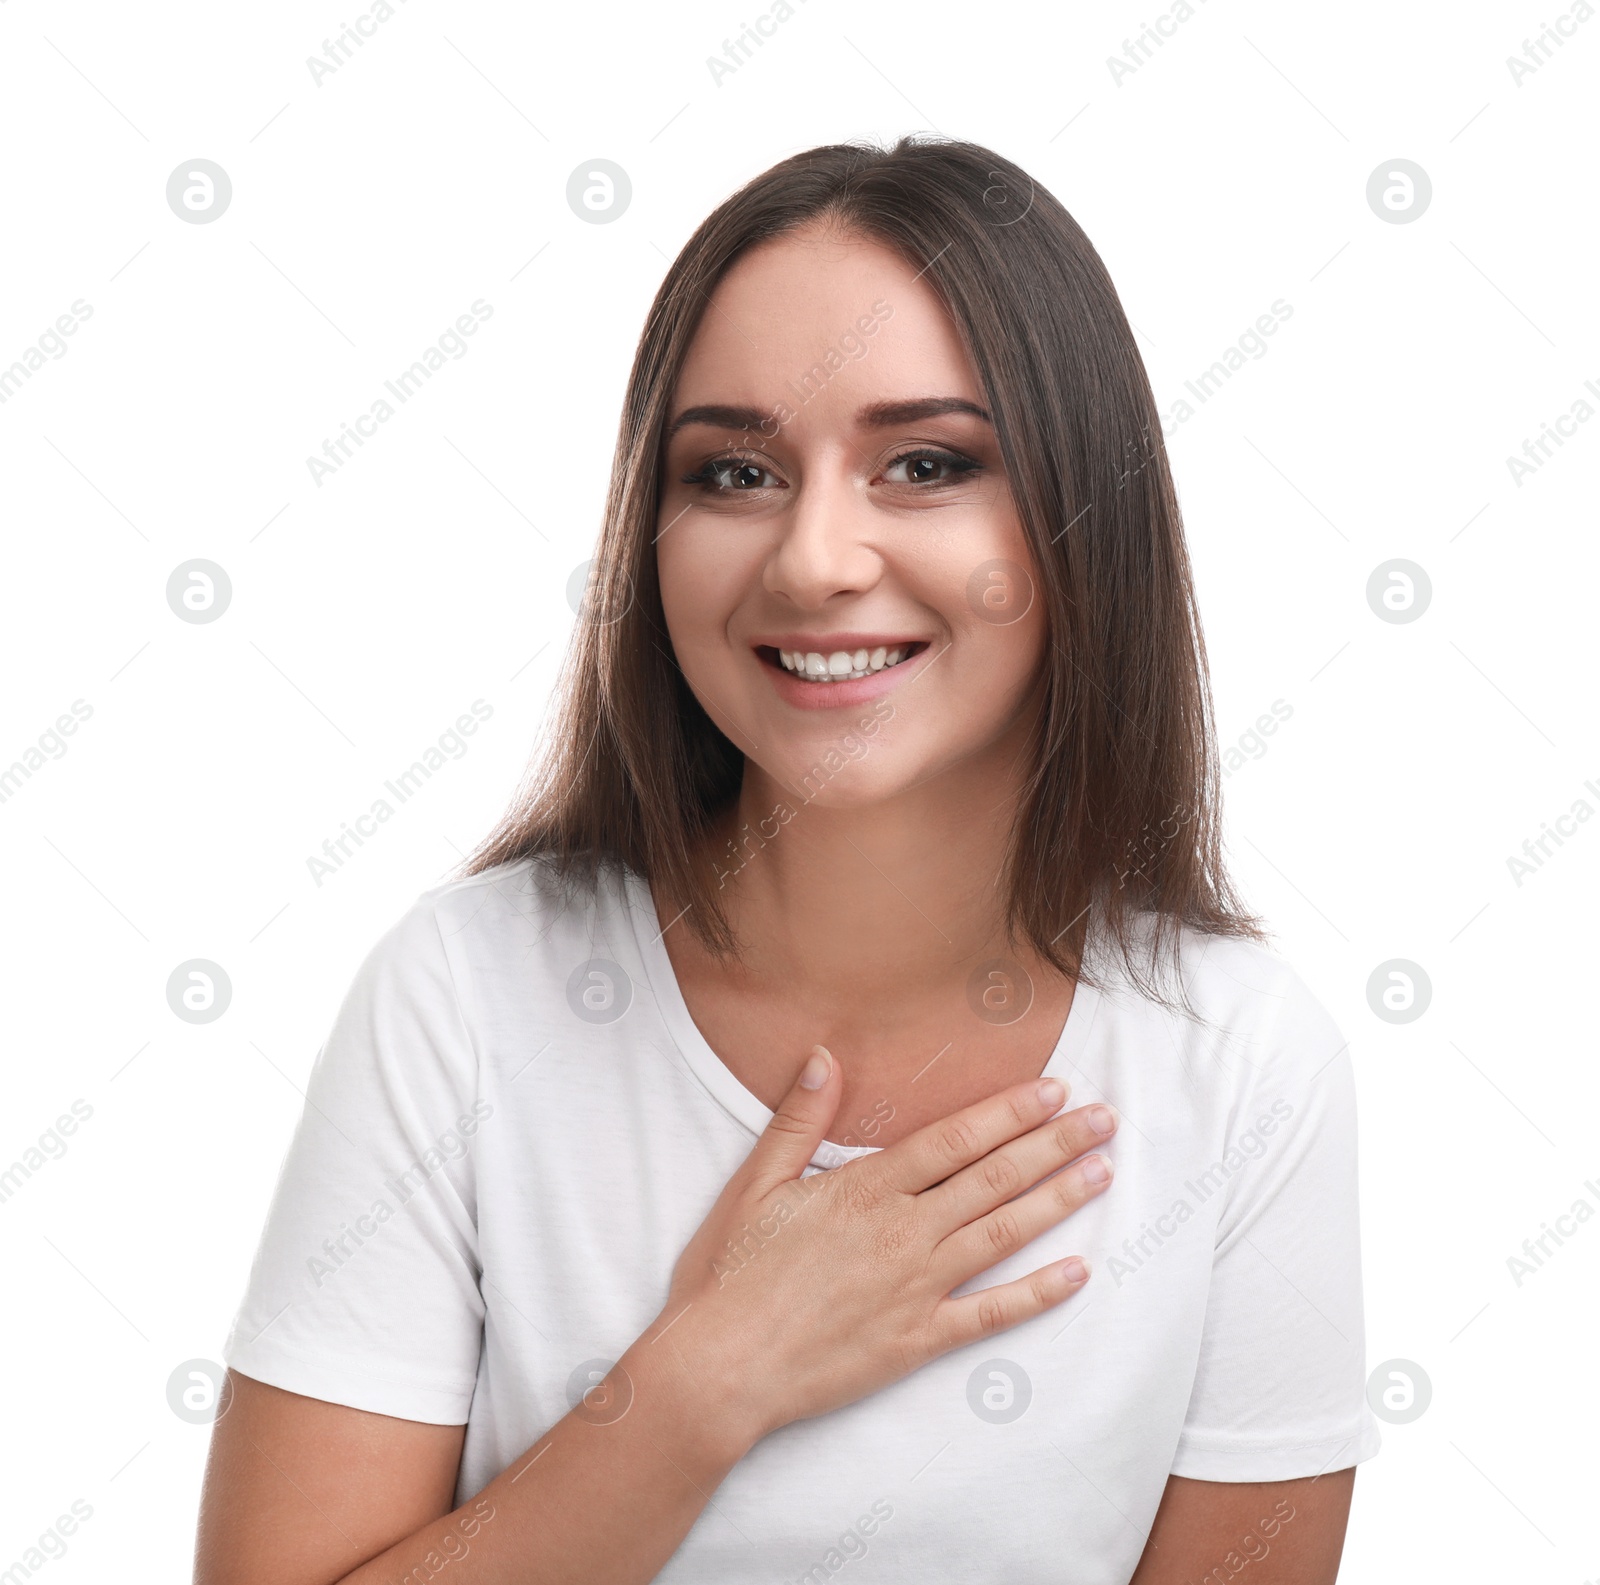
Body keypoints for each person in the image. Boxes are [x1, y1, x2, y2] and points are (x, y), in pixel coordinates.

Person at [196, 136, 1380, 1584]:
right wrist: (705, 1381)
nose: (815, 558)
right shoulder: (463, 999)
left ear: (1083, 518)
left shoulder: (1244, 1066)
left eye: (927, 463)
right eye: (738, 469)